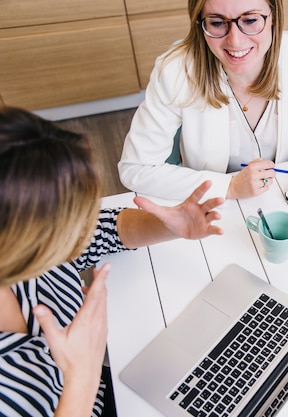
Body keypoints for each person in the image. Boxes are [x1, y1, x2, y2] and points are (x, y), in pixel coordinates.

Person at [0, 106, 225, 416]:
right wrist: (83, 375)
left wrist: (169, 224)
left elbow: (97, 231)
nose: (76, 231)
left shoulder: (29, 251)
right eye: (61, 224)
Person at [118, 0, 288, 202]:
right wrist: (230, 187)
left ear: (274, 16)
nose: (235, 41)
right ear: (200, 24)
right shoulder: (174, 71)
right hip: (211, 198)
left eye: (250, 20)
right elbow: (135, 169)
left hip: (281, 188)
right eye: (217, 23)